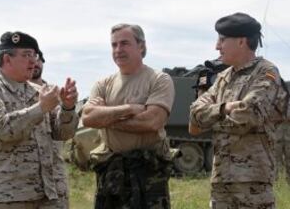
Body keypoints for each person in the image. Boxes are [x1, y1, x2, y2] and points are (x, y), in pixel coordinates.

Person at [189, 12, 288, 209]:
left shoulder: (266, 72)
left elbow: (248, 116)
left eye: (222, 40)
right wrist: (226, 108)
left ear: (242, 41)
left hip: (252, 184)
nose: (217, 46)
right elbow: (194, 115)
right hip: (220, 182)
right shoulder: (224, 77)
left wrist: (212, 115)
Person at [0, 31, 78, 209]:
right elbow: (0, 130)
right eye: (26, 55)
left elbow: (63, 133)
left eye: (34, 55)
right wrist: (40, 108)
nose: (33, 61)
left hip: (47, 196)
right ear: (7, 59)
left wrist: (68, 107)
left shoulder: (39, 92)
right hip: (5, 197)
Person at [82, 23, 175, 209]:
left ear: (141, 46)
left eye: (124, 43)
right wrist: (129, 109)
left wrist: (106, 117)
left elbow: (152, 121)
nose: (118, 50)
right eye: (114, 45)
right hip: (111, 170)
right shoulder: (103, 83)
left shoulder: (158, 79)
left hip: (147, 173)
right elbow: (88, 118)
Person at [29, 50, 69, 207]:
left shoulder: (55, 94)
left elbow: (64, 131)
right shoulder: (12, 93)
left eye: (40, 60)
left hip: (55, 175)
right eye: (32, 59)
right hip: (24, 178)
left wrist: (68, 107)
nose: (36, 63)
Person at [274, 102, 290, 184]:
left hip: (287, 130)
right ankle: (277, 183)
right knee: (275, 160)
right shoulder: (275, 91)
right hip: (276, 131)